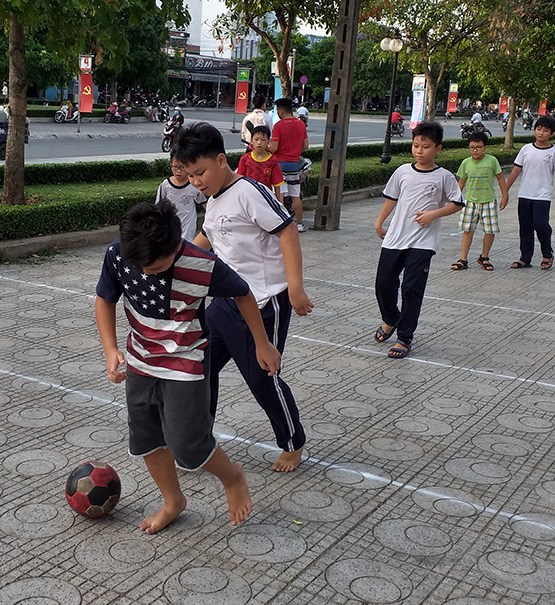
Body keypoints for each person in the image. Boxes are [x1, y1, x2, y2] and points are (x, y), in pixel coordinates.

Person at [95, 201, 282, 533]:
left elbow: (243, 293)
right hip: (140, 360)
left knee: (188, 444)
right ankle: (173, 501)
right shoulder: (120, 255)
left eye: (154, 266)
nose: (146, 272)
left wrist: (262, 343)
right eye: (140, 265)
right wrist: (110, 349)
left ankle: (233, 476)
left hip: (187, 362)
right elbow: (105, 298)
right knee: (146, 438)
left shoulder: (203, 264)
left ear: (175, 245)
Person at [177, 121, 314, 472]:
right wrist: (175, 260)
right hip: (226, 301)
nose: (197, 182)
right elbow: (207, 238)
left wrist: (295, 287)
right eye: (190, 176)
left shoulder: (249, 192)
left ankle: (292, 441)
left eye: (201, 172)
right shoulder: (215, 197)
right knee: (201, 368)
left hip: (266, 302)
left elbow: (287, 232)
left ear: (222, 160)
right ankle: (198, 439)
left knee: (261, 376)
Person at [373, 122, 464, 359]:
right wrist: (379, 222)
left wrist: (433, 214)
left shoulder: (444, 176)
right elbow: (391, 198)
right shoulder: (402, 171)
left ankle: (404, 338)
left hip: (423, 242)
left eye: (426, 146)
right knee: (383, 283)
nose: (419, 151)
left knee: (412, 288)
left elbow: (457, 203)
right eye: (416, 145)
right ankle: (391, 318)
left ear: (438, 148)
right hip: (395, 237)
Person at [450, 132, 509, 271]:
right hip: (470, 202)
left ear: (485, 147)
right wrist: (456, 200)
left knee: (490, 231)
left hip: (488, 202)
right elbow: (461, 183)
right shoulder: (466, 163)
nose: (475, 150)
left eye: (478, 147)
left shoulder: (492, 161)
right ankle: (463, 259)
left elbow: (500, 178)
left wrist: (505, 195)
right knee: (467, 230)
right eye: (472, 147)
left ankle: (484, 257)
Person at [506, 115, 555, 270]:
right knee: (525, 227)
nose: (541, 133)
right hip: (525, 194)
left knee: (541, 225)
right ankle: (525, 258)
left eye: (545, 130)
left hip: (543, 195)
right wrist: (505, 191)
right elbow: (515, 171)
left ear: (551, 134)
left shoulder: (553, 151)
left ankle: (547, 254)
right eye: (538, 129)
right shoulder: (526, 149)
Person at [269, 97, 309, 232]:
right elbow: (306, 146)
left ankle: (282, 223)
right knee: (295, 195)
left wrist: (265, 147)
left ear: (280, 110)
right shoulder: (301, 124)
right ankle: (300, 224)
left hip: (279, 165)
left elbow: (274, 148)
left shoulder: (278, 126)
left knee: (280, 195)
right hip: (294, 165)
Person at [155, 147, 206, 241]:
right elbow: (158, 206)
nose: (178, 171)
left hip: (188, 226)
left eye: (182, 168)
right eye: (175, 167)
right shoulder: (166, 185)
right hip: (171, 226)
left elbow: (203, 202)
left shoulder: (193, 185)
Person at [236, 125, 285, 203]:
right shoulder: (245, 159)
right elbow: (239, 181)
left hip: (265, 199)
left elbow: (277, 185)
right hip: (248, 198)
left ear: (268, 141)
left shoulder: (273, 161)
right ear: (251, 140)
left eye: (263, 140)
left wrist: (279, 204)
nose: (259, 142)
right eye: (256, 139)